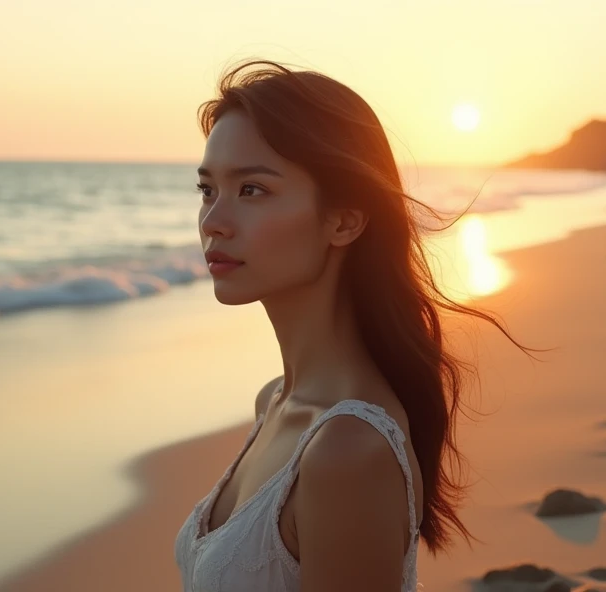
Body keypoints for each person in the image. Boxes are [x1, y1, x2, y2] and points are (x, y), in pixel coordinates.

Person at [173, 59, 530, 592]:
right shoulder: (275, 402)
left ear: (344, 220)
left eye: (252, 190)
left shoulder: (349, 450)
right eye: (208, 190)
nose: (213, 222)